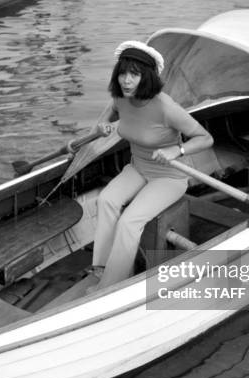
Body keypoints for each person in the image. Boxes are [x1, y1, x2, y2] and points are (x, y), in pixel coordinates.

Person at [89, 40, 214, 290]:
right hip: (138, 167)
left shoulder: (165, 106)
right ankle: (101, 267)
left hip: (169, 177)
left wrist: (176, 149)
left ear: (146, 76)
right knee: (106, 200)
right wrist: (102, 125)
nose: (126, 80)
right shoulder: (120, 97)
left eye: (134, 74)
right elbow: (107, 116)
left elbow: (206, 139)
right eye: (123, 73)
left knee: (129, 222)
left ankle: (111, 285)